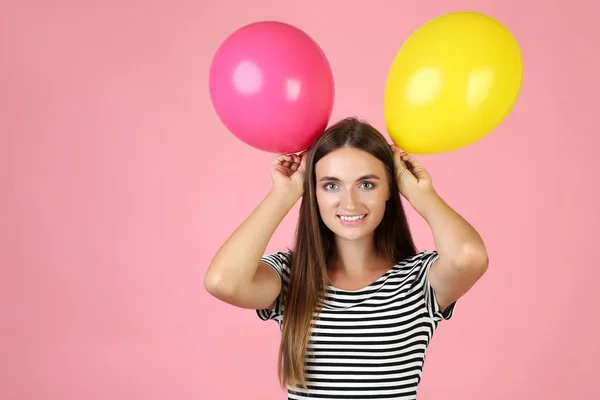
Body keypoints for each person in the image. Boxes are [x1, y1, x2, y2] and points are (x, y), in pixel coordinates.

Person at [204, 117, 489, 399]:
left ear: (389, 189)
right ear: (312, 191)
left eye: (367, 184)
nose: (350, 202)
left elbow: (469, 256)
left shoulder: (419, 280)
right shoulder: (290, 276)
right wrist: (284, 193)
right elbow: (222, 281)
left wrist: (417, 190)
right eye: (331, 185)